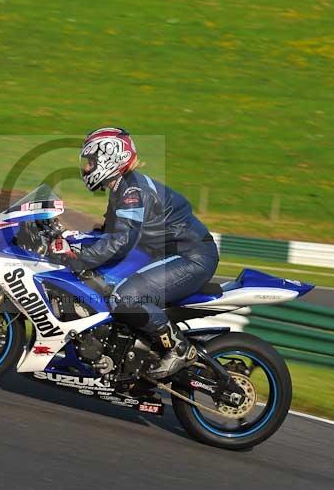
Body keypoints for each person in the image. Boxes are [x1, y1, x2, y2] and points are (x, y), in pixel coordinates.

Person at [60, 127, 219, 379]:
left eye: (91, 162)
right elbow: (110, 233)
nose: (86, 168)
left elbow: (122, 240)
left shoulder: (132, 192)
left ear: (109, 158)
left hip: (191, 257)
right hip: (167, 254)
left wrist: (77, 258)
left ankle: (179, 347)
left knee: (125, 298)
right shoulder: (122, 188)